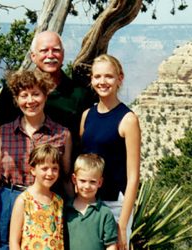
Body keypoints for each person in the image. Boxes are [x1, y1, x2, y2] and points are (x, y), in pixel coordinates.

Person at [0, 70, 72, 250]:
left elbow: (66, 179)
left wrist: (75, 214)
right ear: (16, 100)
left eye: (36, 94)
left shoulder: (62, 134)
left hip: (46, 205)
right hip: (9, 200)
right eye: (24, 95)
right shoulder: (4, 132)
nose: (30, 101)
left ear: (46, 95)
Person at [0, 31, 96, 160]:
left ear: (63, 54)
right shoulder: (14, 90)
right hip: (17, 168)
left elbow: (86, 139)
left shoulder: (79, 93)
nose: (50, 55)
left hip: (62, 170)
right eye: (44, 50)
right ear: (33, 56)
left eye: (56, 50)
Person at [80, 54, 141, 250]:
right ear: (91, 79)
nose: (102, 82)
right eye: (97, 77)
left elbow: (133, 177)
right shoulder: (87, 115)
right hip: (88, 201)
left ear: (119, 78)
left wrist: (122, 224)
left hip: (115, 204)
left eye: (108, 76)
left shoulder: (128, 119)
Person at [9, 144, 64, 250]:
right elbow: (14, 241)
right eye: (44, 168)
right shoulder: (24, 200)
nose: (50, 173)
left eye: (54, 169)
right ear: (33, 170)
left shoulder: (58, 201)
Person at [64, 153, 118, 250]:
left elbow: (111, 245)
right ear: (74, 179)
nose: (87, 186)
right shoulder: (66, 209)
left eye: (92, 182)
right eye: (83, 181)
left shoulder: (105, 213)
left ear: (100, 182)